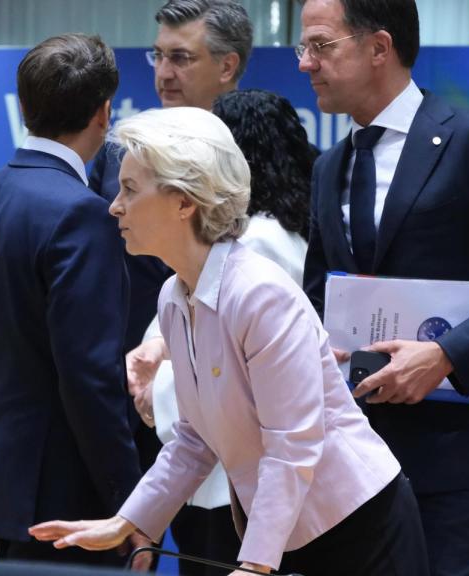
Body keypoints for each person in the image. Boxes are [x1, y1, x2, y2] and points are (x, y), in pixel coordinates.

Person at [29, 106, 429, 576]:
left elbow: (293, 444)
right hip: (288, 527)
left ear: (185, 202)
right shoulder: (174, 295)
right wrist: (127, 521)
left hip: (359, 529)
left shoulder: (260, 293)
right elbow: (195, 438)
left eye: (131, 189)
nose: (114, 205)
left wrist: (256, 565)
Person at [296, 1, 469, 575]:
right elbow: (320, 291)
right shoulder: (328, 166)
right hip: (354, 459)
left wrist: (447, 354)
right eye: (303, 48)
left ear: (379, 47)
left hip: (457, 454)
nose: (305, 63)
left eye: (321, 46)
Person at [0, 34, 147, 568]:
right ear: (105, 113)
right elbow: (89, 375)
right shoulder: (83, 213)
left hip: (3, 477)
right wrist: (130, 504)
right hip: (72, 499)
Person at [91, 2, 255, 570]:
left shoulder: (268, 162)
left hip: (245, 436)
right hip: (146, 412)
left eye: (182, 57)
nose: (164, 72)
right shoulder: (120, 156)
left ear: (228, 66)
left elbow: (296, 442)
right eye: (158, 55)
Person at [127, 89, 316, 576]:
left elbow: (246, 395)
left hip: (279, 499)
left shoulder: (255, 262)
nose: (116, 206)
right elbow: (197, 420)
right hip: (248, 486)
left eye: (130, 189)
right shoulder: (179, 287)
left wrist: (156, 391)